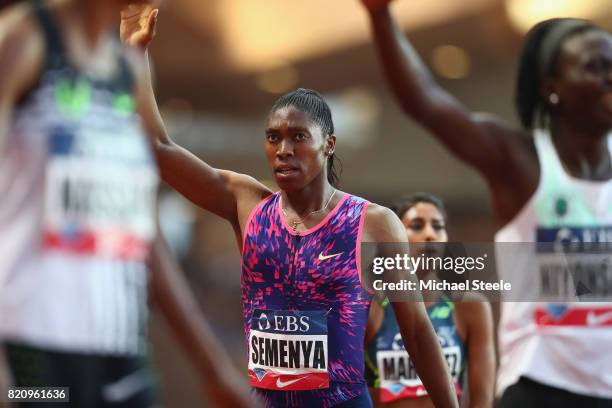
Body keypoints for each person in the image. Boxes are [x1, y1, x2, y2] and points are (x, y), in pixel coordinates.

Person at [125, 6, 459, 407]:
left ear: (328, 144)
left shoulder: (374, 224)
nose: (283, 150)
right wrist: (134, 52)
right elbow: (160, 149)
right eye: (273, 137)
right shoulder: (245, 202)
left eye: (298, 136)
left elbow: (419, 336)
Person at [360, 0, 612, 406]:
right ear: (552, 87)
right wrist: (380, 15)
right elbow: (425, 102)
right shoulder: (522, 162)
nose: (609, 78)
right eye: (596, 67)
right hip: (539, 386)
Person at [0, 1, 252, 406]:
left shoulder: (127, 72)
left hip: (120, 349)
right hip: (32, 348)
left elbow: (143, 233)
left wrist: (214, 369)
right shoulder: (23, 41)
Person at [365, 193, 495, 407]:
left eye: (438, 226)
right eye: (417, 226)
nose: (430, 235)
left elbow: (483, 401)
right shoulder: (371, 307)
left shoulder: (471, 307)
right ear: (395, 237)